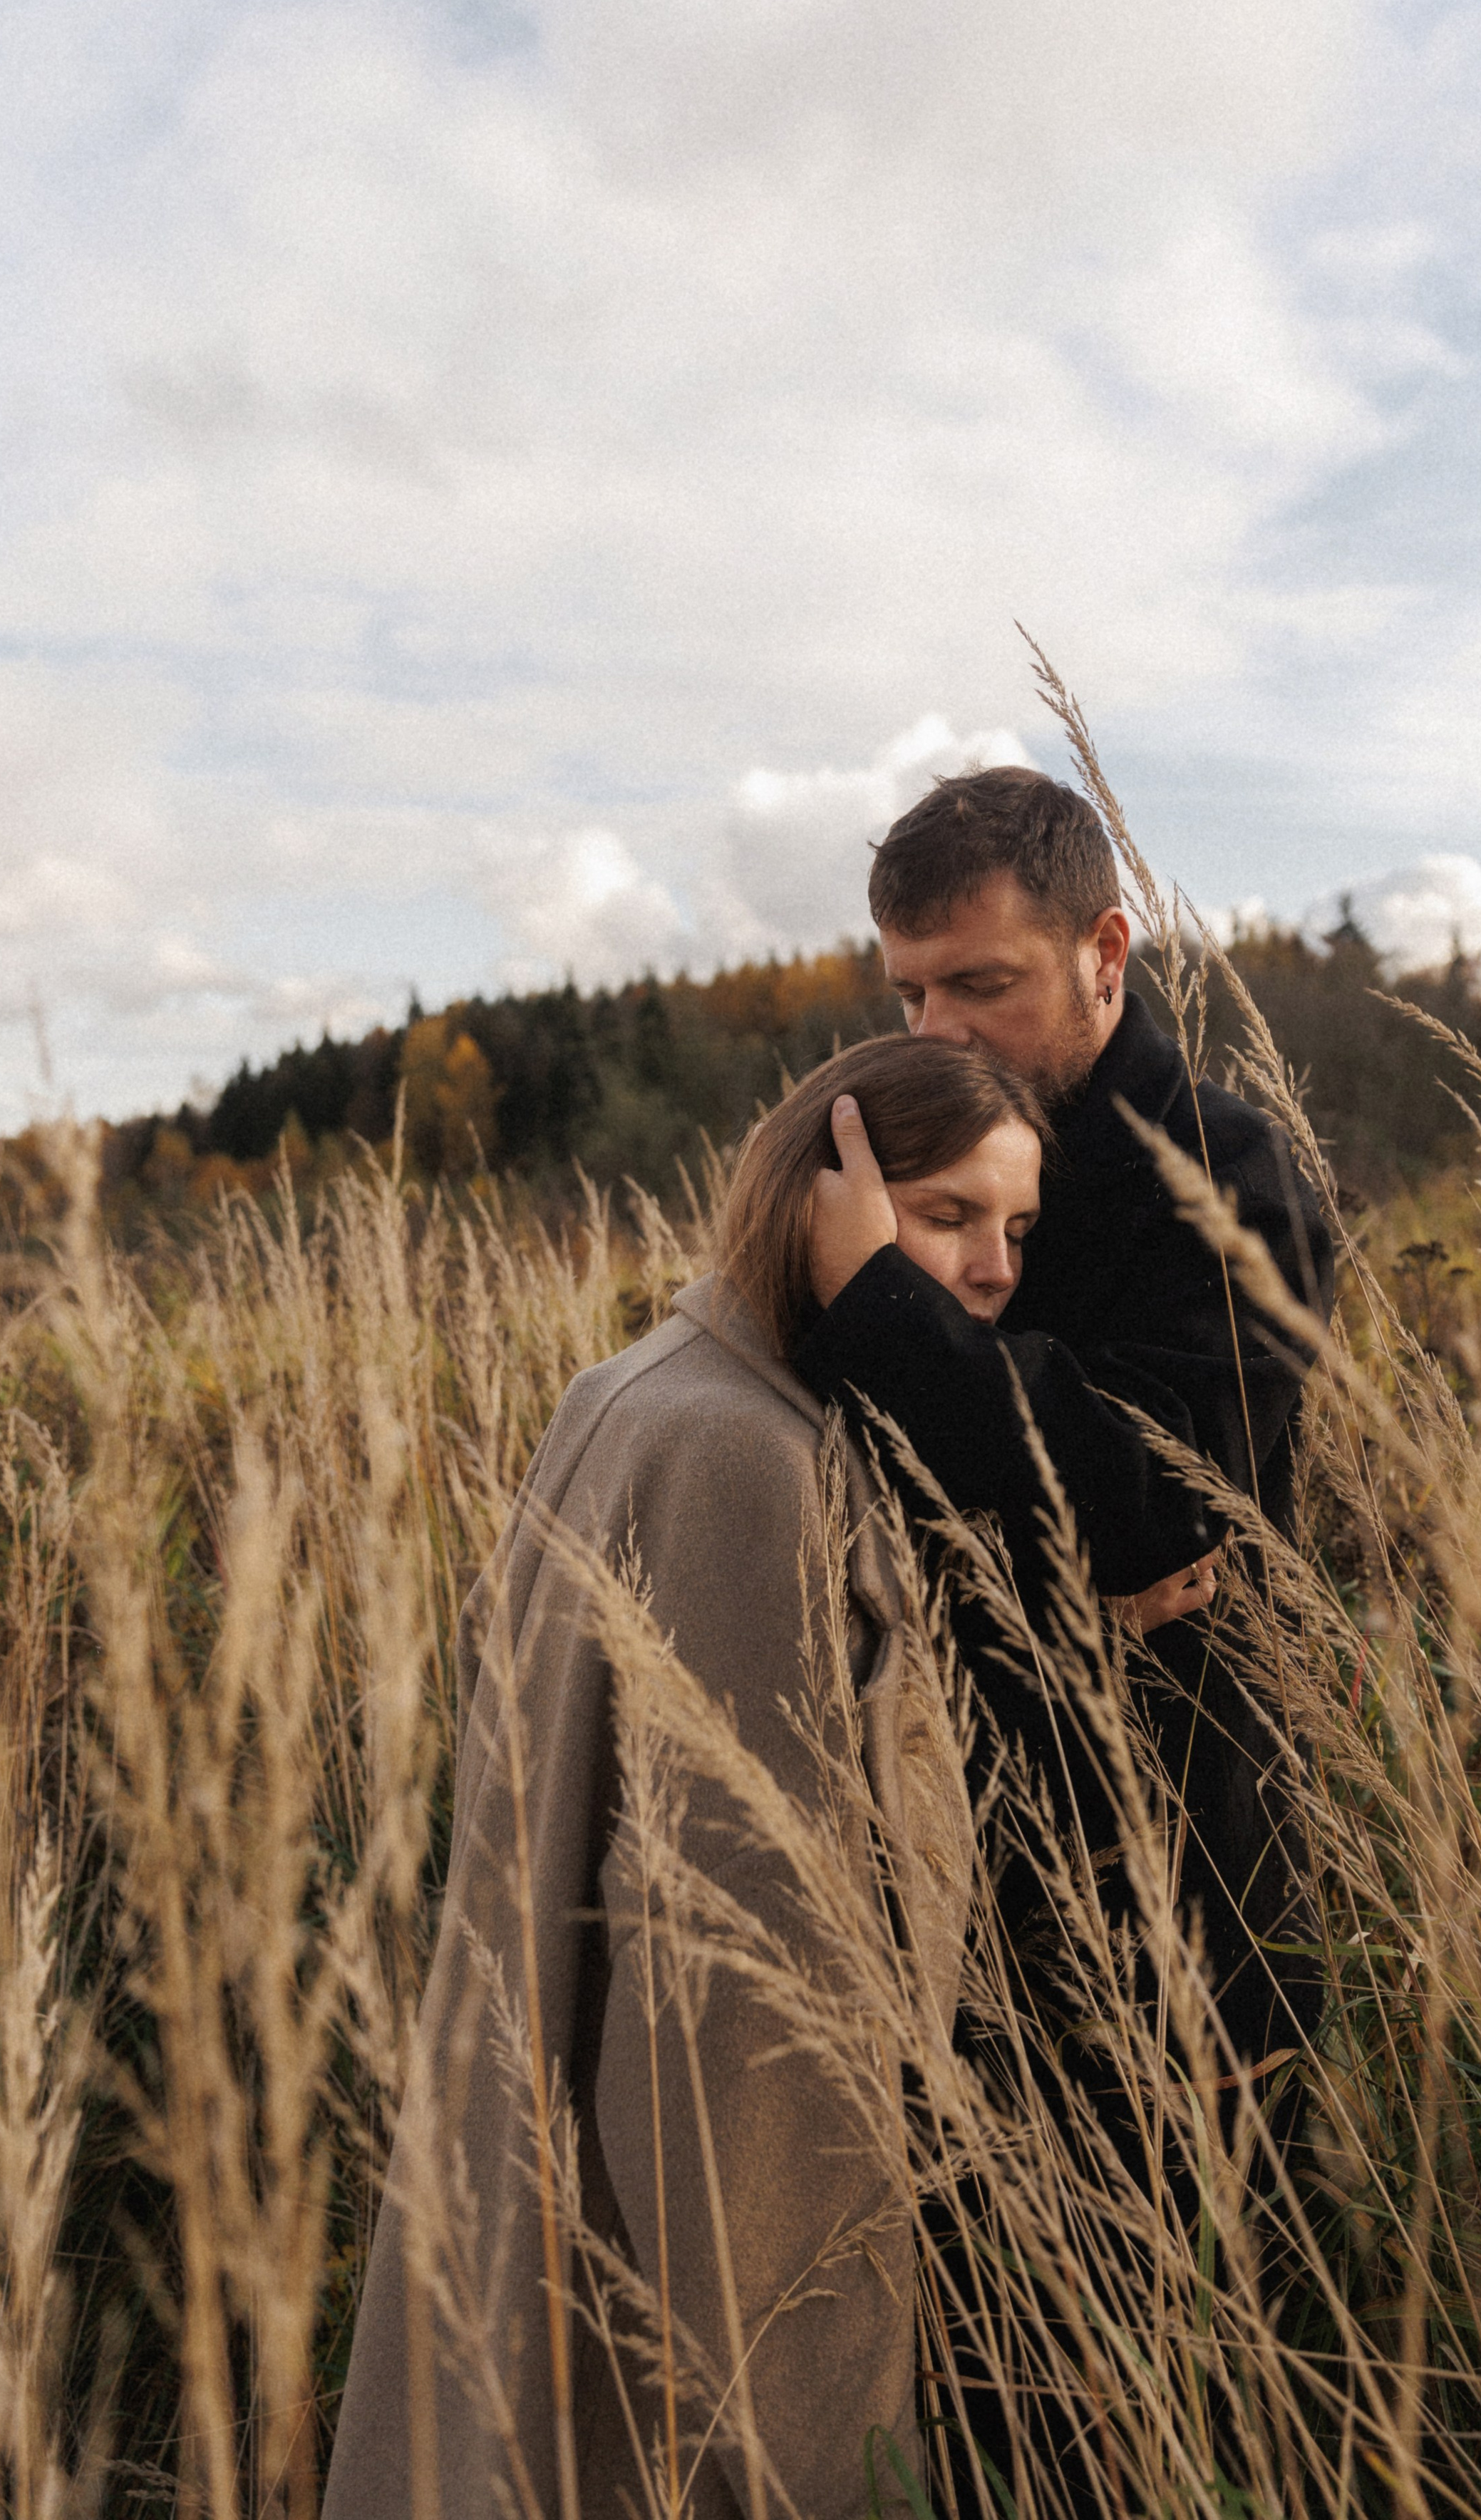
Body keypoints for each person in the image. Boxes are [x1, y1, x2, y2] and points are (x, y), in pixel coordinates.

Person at [324, 1037, 1051, 2520]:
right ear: (818, 1206)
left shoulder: (638, 1387)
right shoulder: (748, 1460)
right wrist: (820, 2415)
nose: (986, 1267)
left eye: (1014, 1230)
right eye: (940, 1214)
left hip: (554, 2119)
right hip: (683, 2235)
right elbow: (738, 2011)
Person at [794, 764, 1332, 2095]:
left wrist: (885, 1310)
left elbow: (1154, 1503)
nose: (938, 1034)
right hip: (943, 1873)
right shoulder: (903, 1176)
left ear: (1105, 955)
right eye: (910, 992)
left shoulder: (1221, 1177)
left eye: (982, 986)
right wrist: (1056, 1576)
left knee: (1205, 2288)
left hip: (1181, 1896)